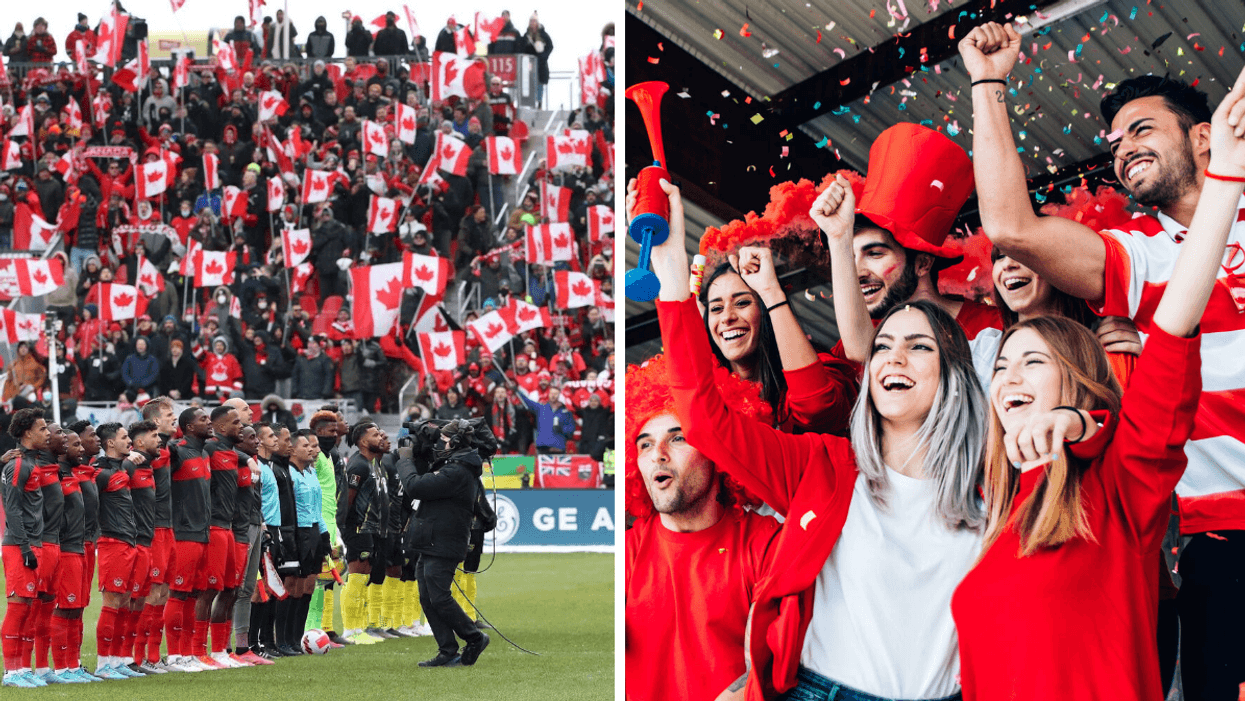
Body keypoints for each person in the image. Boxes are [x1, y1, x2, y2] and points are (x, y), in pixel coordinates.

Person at [962, 21, 1245, 700]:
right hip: (1223, 541)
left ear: (1202, 136)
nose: (1122, 150)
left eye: (1141, 129)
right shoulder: (1139, 253)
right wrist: (987, 81)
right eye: (1114, 143)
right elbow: (1011, 227)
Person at [640, 179, 989, 700]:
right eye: (884, 346)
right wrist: (671, 277)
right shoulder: (824, 466)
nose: (892, 357)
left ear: (954, 378)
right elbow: (706, 421)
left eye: (918, 347)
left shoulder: (995, 483)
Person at [625, 355, 781, 701]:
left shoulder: (766, 543)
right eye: (645, 443)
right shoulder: (626, 554)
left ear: (718, 446)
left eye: (677, 438)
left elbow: (779, 662)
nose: (658, 455)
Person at [809, 124, 1003, 387]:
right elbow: (859, 353)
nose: (857, 271)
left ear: (923, 263)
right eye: (850, 255)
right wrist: (837, 236)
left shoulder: (997, 326)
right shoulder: (852, 338)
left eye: (875, 253)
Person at [397, 419, 492, 667]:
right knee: (428, 597)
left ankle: (474, 638)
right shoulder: (455, 465)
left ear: (456, 443)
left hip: (442, 541)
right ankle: (448, 650)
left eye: (445, 441)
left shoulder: (457, 471)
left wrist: (404, 461)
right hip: (432, 539)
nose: (440, 445)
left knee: (438, 596)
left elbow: (415, 486)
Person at [1, 409, 51, 688]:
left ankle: (21, 668)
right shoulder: (19, 465)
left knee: (29, 608)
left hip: (33, 543)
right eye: (42, 428)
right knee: (18, 608)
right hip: (22, 545)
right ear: (28, 433)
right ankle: (11, 672)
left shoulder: (30, 463)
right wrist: (24, 547)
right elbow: (13, 509)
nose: (47, 433)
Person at [163, 408, 213, 673]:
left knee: (194, 595)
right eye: (203, 419)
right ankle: (173, 655)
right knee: (179, 594)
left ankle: (188, 653)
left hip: (203, 535)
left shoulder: (204, 454)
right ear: (189, 427)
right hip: (183, 535)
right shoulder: (177, 452)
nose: (209, 422)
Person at [92, 422, 142, 680]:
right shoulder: (99, 472)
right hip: (112, 543)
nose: (129, 441)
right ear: (110, 443)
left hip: (129, 542)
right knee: (112, 604)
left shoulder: (121, 468)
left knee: (124, 604)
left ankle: (117, 659)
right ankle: (103, 664)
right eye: (124, 437)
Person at [194, 405, 244, 669]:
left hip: (229, 528)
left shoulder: (232, 453)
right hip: (213, 528)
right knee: (208, 590)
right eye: (236, 423)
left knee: (230, 589)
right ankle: (197, 651)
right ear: (222, 427)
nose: (241, 426)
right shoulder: (210, 449)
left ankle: (220, 650)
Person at [339, 421, 391, 644]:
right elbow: (347, 501)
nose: (380, 437)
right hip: (357, 529)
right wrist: (347, 530)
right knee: (357, 578)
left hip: (369, 530)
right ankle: (351, 630)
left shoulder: (373, 465)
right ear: (362, 441)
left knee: (363, 578)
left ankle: (359, 627)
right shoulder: (358, 465)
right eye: (374, 434)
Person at [283, 430, 330, 656]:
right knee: (292, 585)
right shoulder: (289, 474)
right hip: (298, 532)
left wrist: (324, 534)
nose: (312, 450)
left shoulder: (310, 472)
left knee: (308, 585)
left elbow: (317, 507)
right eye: (306, 446)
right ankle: (284, 639)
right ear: (292, 449)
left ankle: (297, 638)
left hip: (313, 531)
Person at [514, 385, 577, 454]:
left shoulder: (566, 412)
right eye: (551, 393)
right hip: (543, 447)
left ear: (559, 395)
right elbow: (527, 401)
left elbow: (571, 429)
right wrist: (517, 391)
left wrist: (561, 428)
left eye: (556, 393)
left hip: (558, 448)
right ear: (548, 395)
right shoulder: (541, 408)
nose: (553, 396)